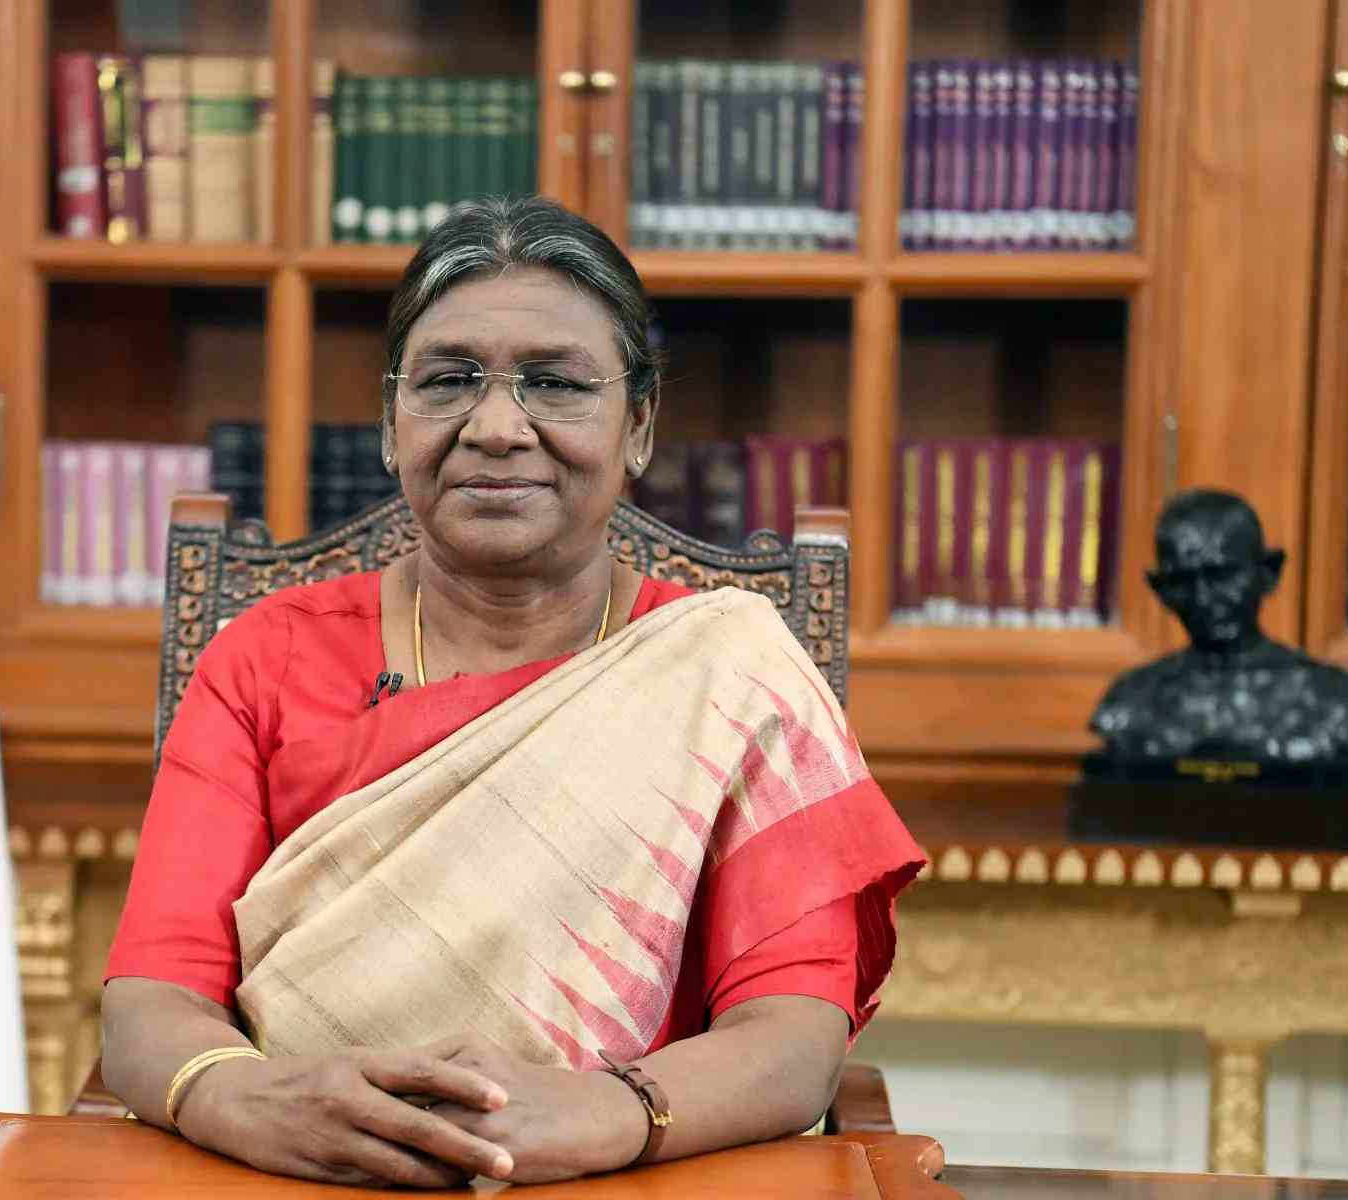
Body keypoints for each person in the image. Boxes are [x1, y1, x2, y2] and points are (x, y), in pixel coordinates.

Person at [99, 196, 923, 1188]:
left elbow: (791, 1039)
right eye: (448, 381)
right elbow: (152, 1001)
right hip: (298, 1177)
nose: (495, 428)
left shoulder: (729, 675)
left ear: (638, 425)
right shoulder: (266, 660)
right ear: (390, 423)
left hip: (623, 1178)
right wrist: (243, 1098)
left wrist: (615, 1109)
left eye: (556, 383)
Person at [1089, 488, 1348, 764]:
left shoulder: (1337, 700)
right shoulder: (1130, 701)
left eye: (1222, 576)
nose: (1203, 598)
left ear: (1268, 574)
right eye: (1182, 581)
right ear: (1161, 590)